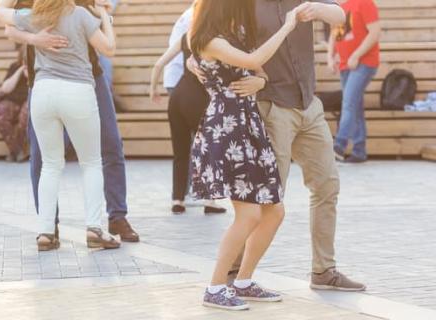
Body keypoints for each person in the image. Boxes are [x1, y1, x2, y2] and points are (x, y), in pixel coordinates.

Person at [188, 0, 365, 292]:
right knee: (267, 200)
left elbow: (339, 14)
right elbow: (201, 21)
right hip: (271, 107)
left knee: (327, 185)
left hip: (308, 102)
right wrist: (192, 58)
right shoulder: (245, 5)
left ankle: (323, 270)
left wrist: (315, 10)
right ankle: (234, 273)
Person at [187, 0, 306, 311]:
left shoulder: (232, 35)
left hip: (249, 127)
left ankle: (243, 281)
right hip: (228, 131)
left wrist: (262, 81)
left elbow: (259, 68)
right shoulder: (209, 40)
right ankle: (215, 287)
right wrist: (288, 25)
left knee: (274, 212)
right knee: (250, 214)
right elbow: (255, 58)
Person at [1, 0, 140, 244]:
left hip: (88, 76)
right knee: (43, 157)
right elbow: (8, 28)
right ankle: (50, 225)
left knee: (111, 145)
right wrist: (36, 40)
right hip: (46, 79)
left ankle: (117, 216)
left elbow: (102, 13)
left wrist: (104, 15)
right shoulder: (36, 6)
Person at [151, 10, 226, 215]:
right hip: (199, 99)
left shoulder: (186, 38)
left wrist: (153, 89)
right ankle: (210, 201)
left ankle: (178, 200)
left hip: (177, 97)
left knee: (180, 152)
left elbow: (159, 64)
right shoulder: (215, 42)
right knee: (209, 149)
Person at [328, 0, 380, 163]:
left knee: (349, 103)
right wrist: (330, 56)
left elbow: (375, 33)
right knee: (355, 106)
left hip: (364, 63)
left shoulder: (364, 3)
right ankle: (359, 151)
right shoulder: (341, 7)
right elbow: (334, 33)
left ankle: (339, 146)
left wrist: (356, 55)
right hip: (345, 65)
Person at [0, 45, 29, 162]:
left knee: (26, 114)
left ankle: (17, 151)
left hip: (30, 100)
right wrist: (20, 70)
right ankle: (18, 150)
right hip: (12, 101)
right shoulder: (14, 67)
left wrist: (30, 74)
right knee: (0, 112)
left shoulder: (40, 68)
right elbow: (5, 89)